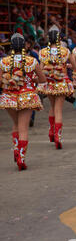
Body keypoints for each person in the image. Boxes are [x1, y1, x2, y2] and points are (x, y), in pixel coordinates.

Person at [0, 33, 47, 170]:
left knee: (16, 124)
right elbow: (43, 79)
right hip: (27, 96)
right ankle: (21, 157)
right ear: (25, 46)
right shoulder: (32, 61)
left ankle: (16, 150)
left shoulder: (3, 62)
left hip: (9, 98)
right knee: (23, 128)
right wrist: (33, 79)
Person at [38, 25, 76, 149]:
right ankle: (58, 137)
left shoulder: (43, 52)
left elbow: (40, 68)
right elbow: (75, 66)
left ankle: (51, 131)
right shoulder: (65, 51)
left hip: (49, 82)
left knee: (52, 106)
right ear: (59, 38)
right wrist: (70, 67)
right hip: (61, 82)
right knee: (58, 109)